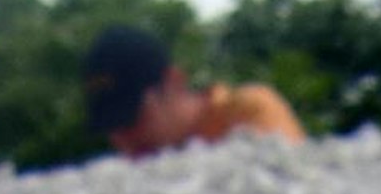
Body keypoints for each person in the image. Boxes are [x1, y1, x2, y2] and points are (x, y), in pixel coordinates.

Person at [82, 25, 303, 157]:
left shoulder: (246, 111)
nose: (126, 139)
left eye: (131, 118)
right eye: (114, 126)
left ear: (173, 82)